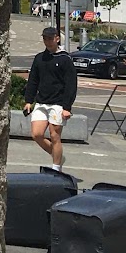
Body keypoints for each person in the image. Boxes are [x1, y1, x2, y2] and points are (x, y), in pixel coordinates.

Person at [23, 25, 77, 172]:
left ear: (57, 39)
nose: (47, 41)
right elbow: (33, 80)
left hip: (58, 104)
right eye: (45, 38)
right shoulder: (40, 58)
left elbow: (71, 84)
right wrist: (29, 101)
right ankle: (57, 156)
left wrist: (67, 107)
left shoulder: (65, 59)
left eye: (50, 38)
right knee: (36, 134)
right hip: (42, 102)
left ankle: (56, 167)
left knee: (55, 135)